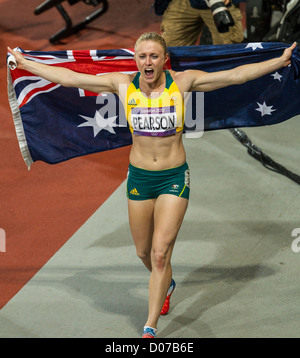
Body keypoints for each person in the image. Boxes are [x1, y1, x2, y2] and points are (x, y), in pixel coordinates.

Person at [7, 35, 296, 338]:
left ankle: (150, 326)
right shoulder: (121, 84)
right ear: (135, 60)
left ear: (164, 59)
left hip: (173, 178)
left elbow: (234, 76)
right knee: (143, 252)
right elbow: (68, 77)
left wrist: (278, 61)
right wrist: (27, 63)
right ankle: (167, 283)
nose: (148, 62)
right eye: (143, 56)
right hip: (139, 179)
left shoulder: (183, 82)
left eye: (154, 56)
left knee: (160, 255)